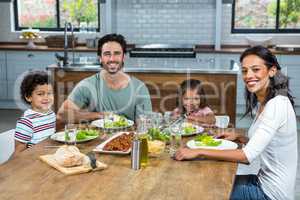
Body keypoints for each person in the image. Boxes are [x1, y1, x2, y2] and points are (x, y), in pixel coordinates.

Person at [175, 46, 297, 200]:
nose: (248, 75)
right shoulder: (266, 102)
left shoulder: (277, 105)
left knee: (202, 188)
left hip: (270, 194)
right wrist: (240, 138)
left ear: (272, 71)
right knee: (206, 177)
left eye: (255, 69)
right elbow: (268, 144)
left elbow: (247, 156)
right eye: (245, 71)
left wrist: (198, 151)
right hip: (262, 182)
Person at [57, 34, 152, 126]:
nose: (112, 59)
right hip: (97, 140)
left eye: (117, 53)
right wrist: (99, 115)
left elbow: (145, 125)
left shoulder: (139, 88)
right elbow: (62, 115)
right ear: (100, 58)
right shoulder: (88, 85)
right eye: (107, 54)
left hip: (127, 139)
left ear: (123, 57)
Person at [15, 71, 56, 152]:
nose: (46, 97)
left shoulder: (51, 114)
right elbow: (18, 151)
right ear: (28, 97)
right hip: (34, 160)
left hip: (49, 155)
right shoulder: (26, 121)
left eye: (49, 93)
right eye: (40, 94)